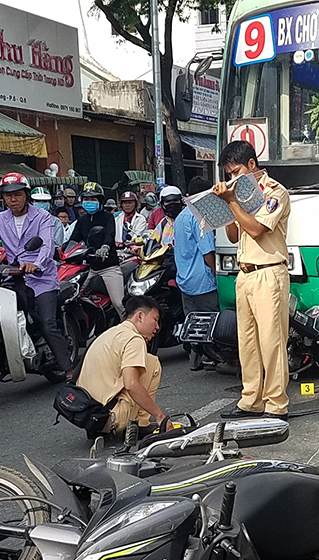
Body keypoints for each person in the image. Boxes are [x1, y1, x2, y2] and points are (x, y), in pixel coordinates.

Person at [0, 172, 72, 375]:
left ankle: (68, 368)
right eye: (8, 196)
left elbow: (46, 244)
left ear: (26, 195)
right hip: (12, 277)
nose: (12, 199)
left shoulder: (42, 217)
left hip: (41, 279)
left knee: (47, 323)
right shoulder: (1, 219)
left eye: (17, 194)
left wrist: (37, 264)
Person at [215, 140, 292, 420]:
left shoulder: (275, 191)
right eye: (228, 174)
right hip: (244, 273)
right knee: (246, 342)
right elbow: (235, 235)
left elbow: (257, 230)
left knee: (271, 342)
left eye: (236, 172)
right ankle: (251, 400)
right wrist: (223, 209)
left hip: (269, 272)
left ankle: (276, 404)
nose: (232, 178)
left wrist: (231, 201)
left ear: (251, 164)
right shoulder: (240, 195)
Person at [78, 295, 165, 433]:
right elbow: (131, 384)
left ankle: (101, 427)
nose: (157, 326)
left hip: (88, 416)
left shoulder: (110, 333)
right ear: (140, 316)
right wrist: (160, 416)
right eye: (155, 319)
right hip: (111, 418)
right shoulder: (134, 339)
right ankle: (141, 424)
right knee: (152, 363)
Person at [69, 182, 126, 317]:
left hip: (109, 267)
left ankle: (129, 328)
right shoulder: (81, 220)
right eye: (86, 199)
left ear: (100, 201)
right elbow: (73, 240)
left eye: (93, 199)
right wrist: (62, 251)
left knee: (119, 303)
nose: (89, 202)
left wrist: (105, 247)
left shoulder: (107, 217)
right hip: (89, 267)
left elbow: (110, 235)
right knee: (72, 296)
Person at [173, 177, 219, 315]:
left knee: (192, 325)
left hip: (185, 282)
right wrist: (217, 274)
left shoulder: (181, 217)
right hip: (203, 284)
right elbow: (207, 253)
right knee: (211, 323)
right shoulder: (200, 217)